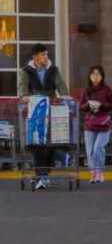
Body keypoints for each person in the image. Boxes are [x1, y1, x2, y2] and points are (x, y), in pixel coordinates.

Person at [16, 44, 69, 190]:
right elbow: (22, 92)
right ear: (35, 57)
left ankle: (43, 174)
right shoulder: (26, 71)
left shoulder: (53, 70)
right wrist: (26, 98)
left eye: (47, 54)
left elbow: (62, 88)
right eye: (43, 54)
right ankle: (43, 175)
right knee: (36, 144)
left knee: (49, 143)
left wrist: (64, 97)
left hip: (51, 112)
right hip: (34, 113)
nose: (46, 57)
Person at [79, 66, 112, 184]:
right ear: (89, 76)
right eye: (93, 74)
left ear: (102, 77)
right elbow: (81, 106)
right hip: (90, 124)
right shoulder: (87, 91)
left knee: (98, 148)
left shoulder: (107, 90)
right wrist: (88, 106)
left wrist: (102, 105)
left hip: (104, 124)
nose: (95, 77)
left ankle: (100, 171)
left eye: (98, 74)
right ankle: (93, 173)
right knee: (90, 150)